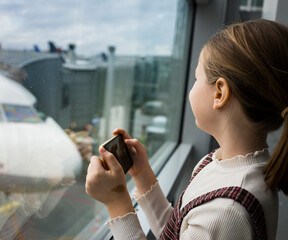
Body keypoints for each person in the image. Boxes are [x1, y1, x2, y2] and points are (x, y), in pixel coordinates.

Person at [85, 19, 288, 240]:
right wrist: (143, 174)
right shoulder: (219, 163)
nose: (191, 88)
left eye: (197, 78)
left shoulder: (226, 212)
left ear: (219, 93)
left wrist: (116, 201)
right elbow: (177, 231)